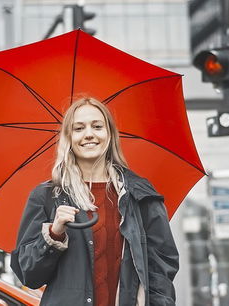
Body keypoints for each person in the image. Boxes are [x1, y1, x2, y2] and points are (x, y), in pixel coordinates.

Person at [11, 97, 179, 306]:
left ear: (109, 134)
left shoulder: (139, 195)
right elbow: (29, 275)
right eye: (79, 128)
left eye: (97, 126)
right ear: (68, 138)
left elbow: (163, 265)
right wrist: (54, 234)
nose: (89, 134)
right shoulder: (47, 196)